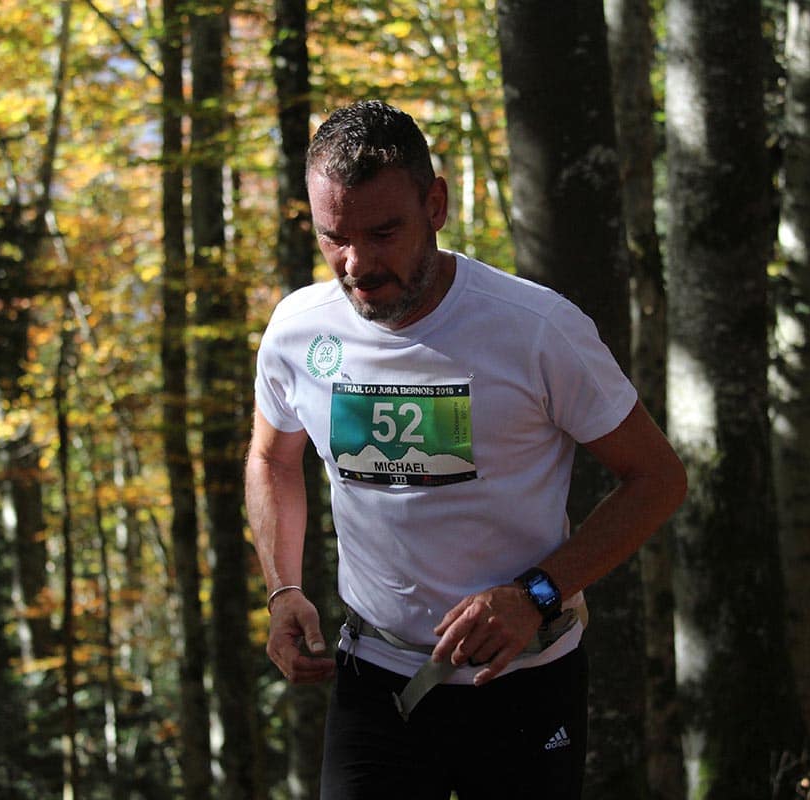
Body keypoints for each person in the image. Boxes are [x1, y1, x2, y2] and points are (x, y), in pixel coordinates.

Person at [245, 100, 687, 800]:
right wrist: (283, 589)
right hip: (375, 684)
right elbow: (272, 459)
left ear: (436, 206)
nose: (357, 263)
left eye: (383, 232)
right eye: (335, 237)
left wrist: (535, 595)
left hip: (525, 681)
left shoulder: (535, 328)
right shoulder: (299, 330)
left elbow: (658, 479)